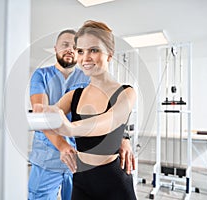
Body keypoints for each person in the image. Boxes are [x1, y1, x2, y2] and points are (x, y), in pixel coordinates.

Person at [33, 20, 137, 200]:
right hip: (81, 180)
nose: (85, 57)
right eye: (80, 51)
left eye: (94, 50)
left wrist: (70, 128)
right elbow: (44, 120)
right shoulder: (74, 95)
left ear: (109, 55)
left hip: (114, 182)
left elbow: (110, 121)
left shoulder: (126, 92)